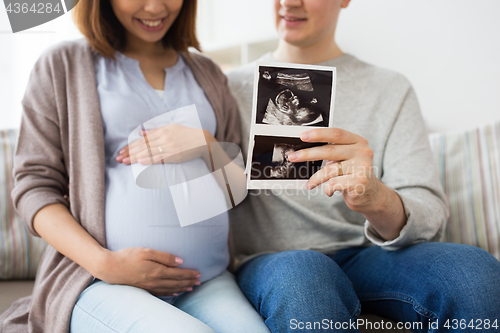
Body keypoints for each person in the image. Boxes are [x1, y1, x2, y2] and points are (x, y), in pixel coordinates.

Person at [226, 0, 500, 332]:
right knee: (304, 277)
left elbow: (429, 214)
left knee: (473, 272)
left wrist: (376, 198)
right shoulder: (227, 88)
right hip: (274, 260)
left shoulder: (389, 89)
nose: (289, 2)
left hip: (368, 255)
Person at [1, 0, 269, 332]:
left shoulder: (209, 73)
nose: (155, 7)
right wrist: (105, 264)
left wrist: (205, 144)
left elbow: (237, 189)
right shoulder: (63, 64)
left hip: (207, 279)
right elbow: (34, 187)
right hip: (102, 282)